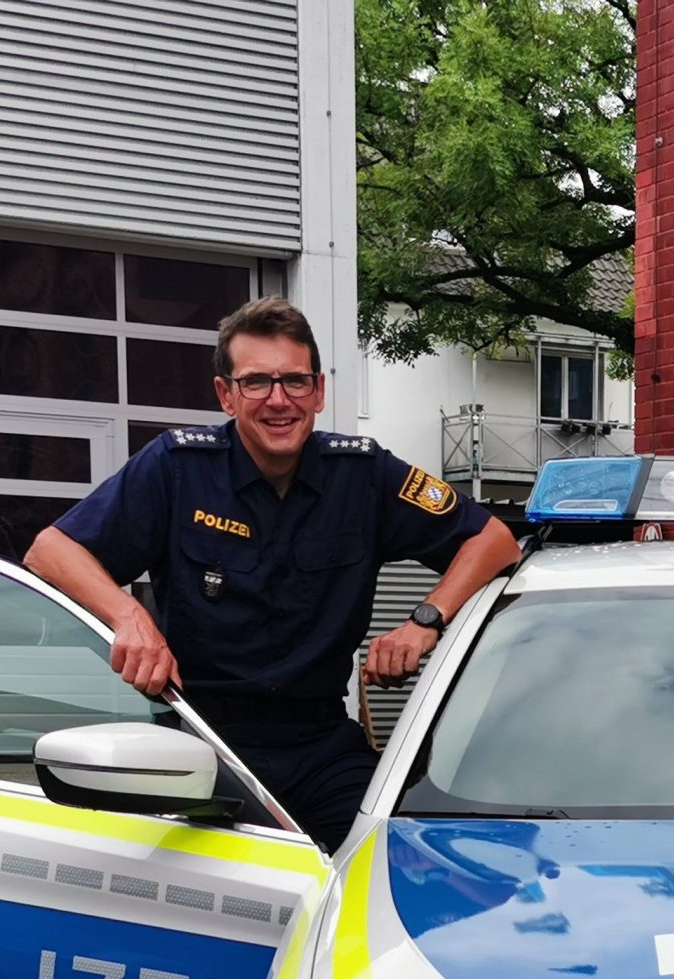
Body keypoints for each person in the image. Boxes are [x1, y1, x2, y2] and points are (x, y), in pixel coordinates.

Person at [26, 296, 521, 849]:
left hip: (321, 744)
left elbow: (493, 540)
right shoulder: (178, 467)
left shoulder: (363, 474)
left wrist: (423, 621)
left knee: (385, 861)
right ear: (226, 394)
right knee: (201, 895)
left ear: (320, 391)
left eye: (295, 381)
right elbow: (50, 550)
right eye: (257, 382)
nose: (279, 400)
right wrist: (129, 616)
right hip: (204, 740)